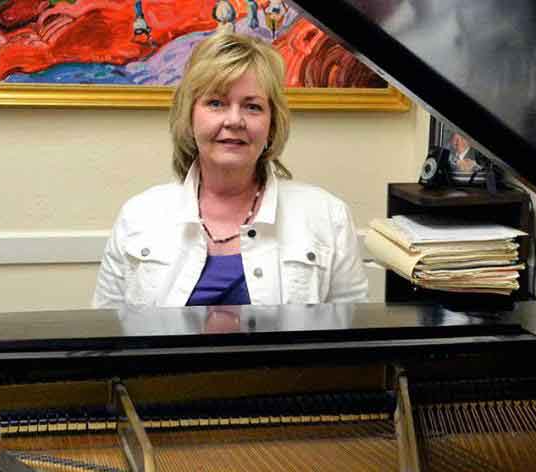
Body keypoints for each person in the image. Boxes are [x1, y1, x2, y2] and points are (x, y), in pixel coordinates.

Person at [93, 32, 368, 309]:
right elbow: (107, 334)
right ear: (189, 116)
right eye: (216, 103)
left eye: (252, 106)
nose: (234, 120)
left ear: (272, 125)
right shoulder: (139, 216)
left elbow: (352, 337)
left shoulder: (328, 217)